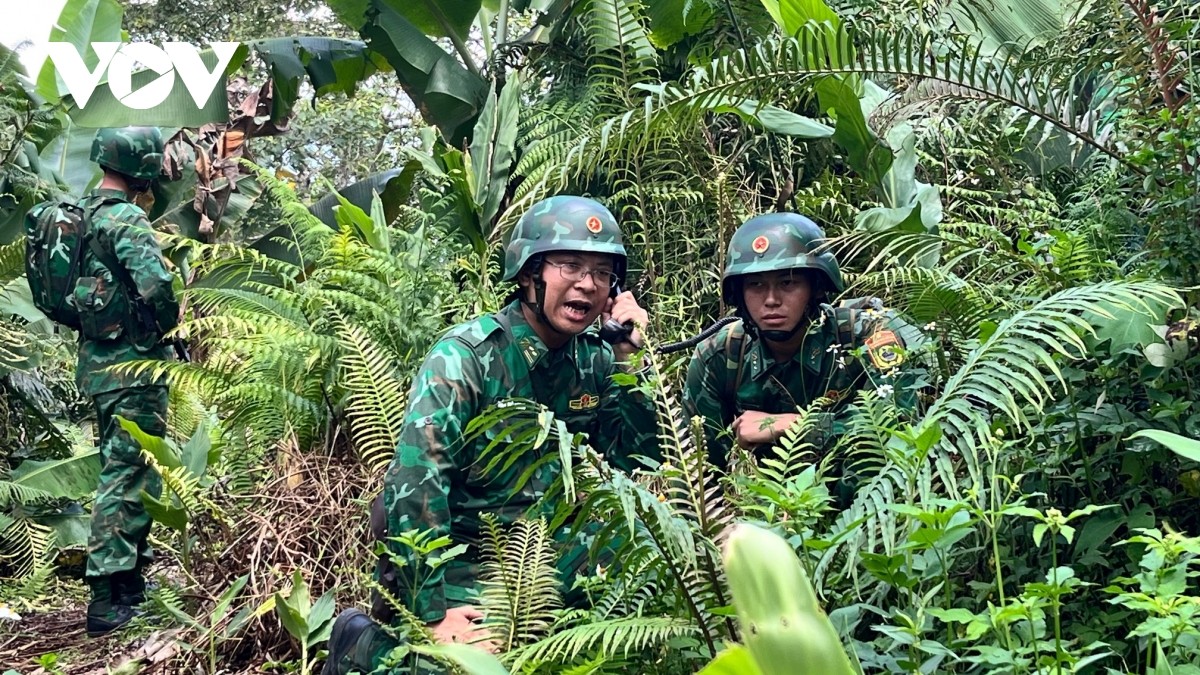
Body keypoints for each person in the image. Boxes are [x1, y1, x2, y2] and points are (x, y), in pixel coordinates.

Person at [324, 195, 660, 674]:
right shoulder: (465, 357)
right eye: (570, 265)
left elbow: (638, 461)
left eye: (602, 272)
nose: (587, 284)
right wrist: (431, 612)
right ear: (528, 274)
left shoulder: (597, 359)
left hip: (551, 553)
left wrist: (632, 361)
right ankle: (362, 644)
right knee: (463, 666)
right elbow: (418, 483)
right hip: (462, 554)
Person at [683, 212, 926, 470]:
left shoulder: (869, 335)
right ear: (739, 295)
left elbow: (898, 432)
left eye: (788, 283)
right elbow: (697, 468)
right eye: (756, 285)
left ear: (816, 287)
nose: (771, 300)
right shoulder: (722, 354)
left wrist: (791, 425)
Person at [66, 127, 180, 636]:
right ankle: (108, 594)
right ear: (143, 166)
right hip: (134, 364)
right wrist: (175, 329)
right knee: (128, 472)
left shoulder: (77, 218)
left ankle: (129, 580)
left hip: (97, 363)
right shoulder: (125, 217)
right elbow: (155, 284)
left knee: (131, 467)